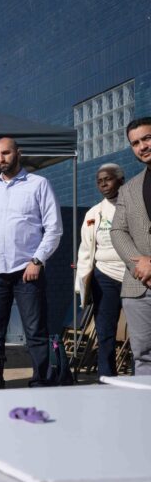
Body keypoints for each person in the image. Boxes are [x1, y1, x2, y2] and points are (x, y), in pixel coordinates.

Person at [0, 137, 62, 385]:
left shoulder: (38, 185)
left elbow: (54, 228)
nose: (1, 158)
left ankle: (41, 382)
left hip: (27, 272)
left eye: (6, 153)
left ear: (18, 153)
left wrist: (38, 260)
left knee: (35, 332)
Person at [75, 164, 126, 377]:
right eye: (99, 181)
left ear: (120, 180)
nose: (103, 184)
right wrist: (81, 284)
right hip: (103, 276)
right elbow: (85, 250)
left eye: (108, 179)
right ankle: (107, 379)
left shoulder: (134, 206)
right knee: (105, 333)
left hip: (135, 275)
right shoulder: (93, 213)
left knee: (143, 333)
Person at [111, 117, 151, 376]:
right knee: (144, 358)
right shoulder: (128, 189)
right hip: (139, 286)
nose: (142, 146)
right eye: (135, 143)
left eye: (147, 138)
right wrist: (140, 262)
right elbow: (118, 231)